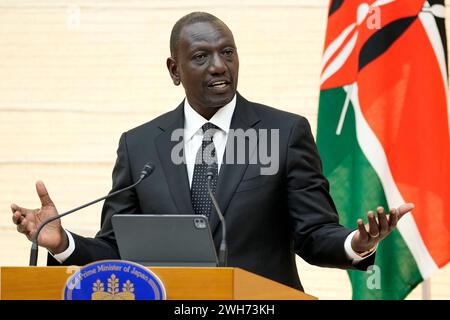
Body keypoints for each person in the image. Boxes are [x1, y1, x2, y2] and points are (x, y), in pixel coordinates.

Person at [11, 12, 413, 291]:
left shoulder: (283, 132)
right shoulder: (140, 145)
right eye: (201, 57)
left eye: (228, 52)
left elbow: (313, 233)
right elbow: (119, 251)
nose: (219, 66)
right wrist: (63, 243)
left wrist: (356, 244)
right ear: (174, 70)